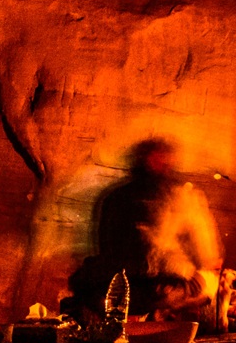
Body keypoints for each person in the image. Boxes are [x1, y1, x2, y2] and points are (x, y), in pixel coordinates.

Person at [69, 137, 223, 322]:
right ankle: (160, 313)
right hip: (159, 288)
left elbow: (103, 247)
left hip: (135, 287)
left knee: (91, 289)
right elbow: (206, 252)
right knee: (209, 283)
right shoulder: (182, 196)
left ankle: (139, 314)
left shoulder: (115, 197)